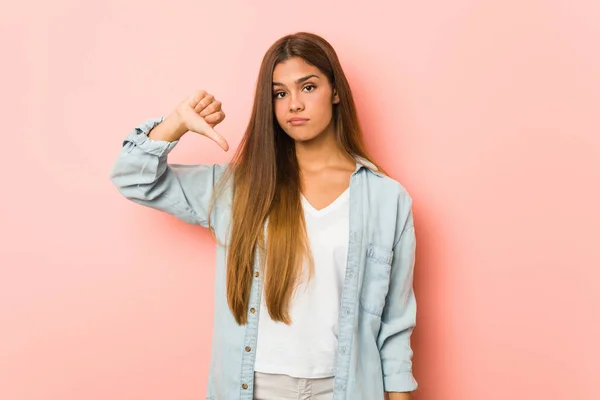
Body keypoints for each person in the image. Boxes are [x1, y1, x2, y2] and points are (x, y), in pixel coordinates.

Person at [110, 32, 417, 400]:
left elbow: (395, 327)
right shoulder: (237, 190)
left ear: (335, 91)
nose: (294, 105)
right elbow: (132, 177)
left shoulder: (387, 199)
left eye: (308, 87)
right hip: (256, 388)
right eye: (280, 93)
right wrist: (176, 122)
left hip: (346, 389)